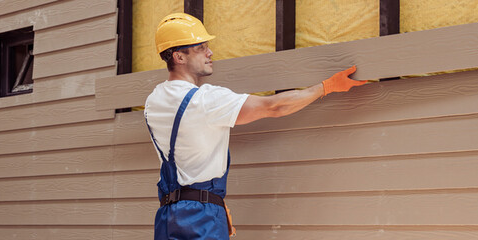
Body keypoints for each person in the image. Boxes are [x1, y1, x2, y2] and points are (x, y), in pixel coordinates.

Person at [144, 13, 366, 239]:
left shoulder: (154, 101)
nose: (210, 53)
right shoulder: (205, 100)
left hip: (168, 216)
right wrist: (326, 87)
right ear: (179, 56)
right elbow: (274, 107)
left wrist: (211, 202)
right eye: (201, 47)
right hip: (201, 217)